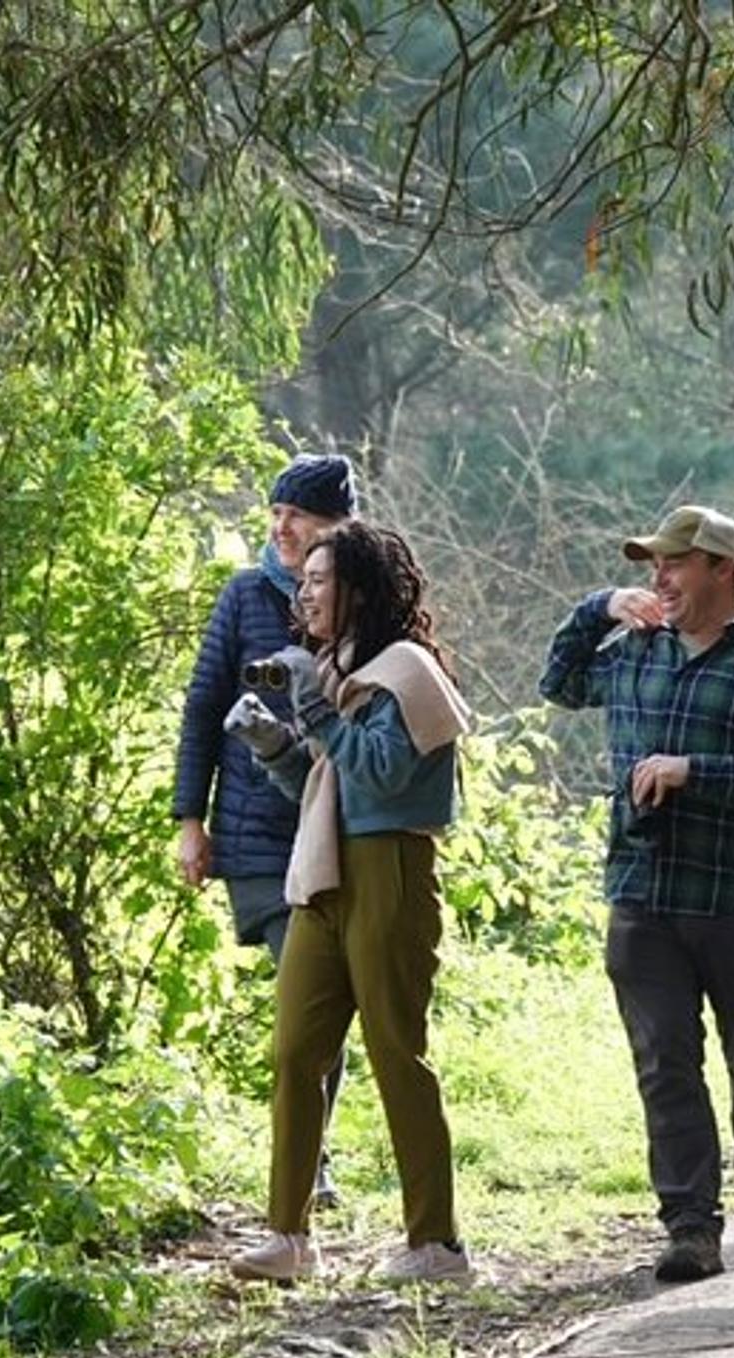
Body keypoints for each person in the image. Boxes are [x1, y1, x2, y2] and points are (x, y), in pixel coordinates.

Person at [539, 505, 734, 1283]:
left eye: (675, 563)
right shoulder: (634, 652)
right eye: (651, 566)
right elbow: (557, 680)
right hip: (640, 890)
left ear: (725, 571)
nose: (658, 577)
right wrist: (598, 607)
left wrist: (693, 770)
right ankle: (691, 1224)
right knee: (664, 1061)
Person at [224, 521, 472, 1283]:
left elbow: (383, 777)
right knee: (296, 1049)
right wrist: (273, 745)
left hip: (391, 868)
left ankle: (436, 1243)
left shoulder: (408, 673)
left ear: (360, 588)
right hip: (323, 874)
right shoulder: (336, 673)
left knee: (398, 1050)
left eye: (321, 579)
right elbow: (327, 785)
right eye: (304, 582)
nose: (306, 593)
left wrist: (319, 711)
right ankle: (289, 1235)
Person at [173, 453, 358, 1204]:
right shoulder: (246, 595)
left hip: (342, 823)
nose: (281, 527)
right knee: (303, 995)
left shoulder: (366, 598)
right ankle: (305, 1167)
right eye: (275, 512)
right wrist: (189, 818)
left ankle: (310, 1157)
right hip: (260, 835)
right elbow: (202, 704)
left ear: (336, 527)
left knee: (327, 1001)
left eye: (298, 515)